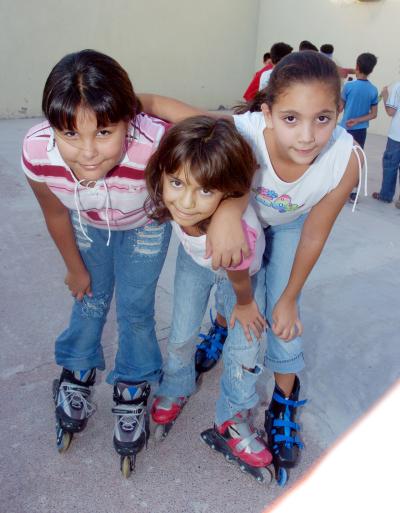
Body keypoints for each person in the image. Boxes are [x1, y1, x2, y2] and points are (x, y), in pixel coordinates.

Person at [140, 50, 365, 485]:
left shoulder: (346, 160)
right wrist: (121, 100)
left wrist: (290, 297)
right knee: (213, 311)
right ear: (267, 112)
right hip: (239, 235)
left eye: (323, 118)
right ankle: (187, 371)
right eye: (290, 119)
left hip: (290, 227)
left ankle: (279, 403)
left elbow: (316, 231)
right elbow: (175, 112)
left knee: (277, 321)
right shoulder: (242, 131)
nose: (307, 136)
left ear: (340, 111)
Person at [21, 49, 172, 477]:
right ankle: (78, 368)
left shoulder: (155, 142)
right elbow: (54, 212)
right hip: (88, 222)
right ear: (52, 128)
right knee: (89, 298)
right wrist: (74, 266)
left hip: (145, 224)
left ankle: (132, 382)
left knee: (136, 310)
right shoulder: (38, 151)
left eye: (105, 131)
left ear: (131, 119)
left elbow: (218, 138)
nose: (87, 153)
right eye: (70, 134)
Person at [145, 115, 272, 481]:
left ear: (227, 189)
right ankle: (176, 384)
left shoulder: (237, 235)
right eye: (177, 183)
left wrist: (245, 304)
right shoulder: (179, 199)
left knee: (244, 349)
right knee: (182, 331)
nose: (185, 202)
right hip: (195, 261)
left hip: (242, 275)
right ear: (162, 174)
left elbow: (238, 274)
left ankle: (233, 416)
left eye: (204, 191)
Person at [340, 52, 378, 201]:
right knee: (357, 159)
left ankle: (339, 187)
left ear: (356, 66)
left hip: (345, 129)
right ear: (372, 70)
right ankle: (353, 191)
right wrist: (358, 121)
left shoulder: (349, 86)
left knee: (342, 158)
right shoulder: (373, 90)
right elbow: (373, 114)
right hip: (361, 130)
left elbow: (340, 108)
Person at [372, 82, 400, 207]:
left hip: (397, 134)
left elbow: (391, 111)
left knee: (390, 164)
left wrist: (385, 96)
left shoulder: (398, 86)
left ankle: (386, 195)